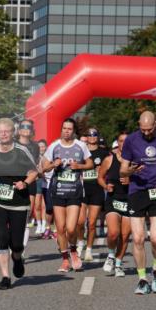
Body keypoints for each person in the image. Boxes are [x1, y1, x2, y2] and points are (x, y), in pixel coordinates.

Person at [121, 111, 156, 294]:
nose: (146, 133)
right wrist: (131, 171)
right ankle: (142, 279)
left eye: (149, 129)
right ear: (139, 124)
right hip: (137, 191)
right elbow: (123, 171)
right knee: (137, 238)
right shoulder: (131, 140)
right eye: (142, 129)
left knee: (155, 239)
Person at [0, 118, 39, 289]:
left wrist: (25, 183)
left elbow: (33, 172)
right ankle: (5, 277)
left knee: (16, 243)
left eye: (7, 131)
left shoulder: (21, 151)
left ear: (13, 133)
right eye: (1, 131)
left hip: (18, 202)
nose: (4, 134)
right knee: (2, 236)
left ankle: (17, 257)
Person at [40, 118, 93, 272]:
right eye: (64, 128)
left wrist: (79, 166)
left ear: (73, 131)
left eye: (69, 129)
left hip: (74, 192)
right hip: (58, 191)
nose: (66, 131)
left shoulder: (81, 146)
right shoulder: (54, 146)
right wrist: (52, 165)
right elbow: (43, 168)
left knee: (71, 228)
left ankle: (74, 250)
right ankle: (65, 260)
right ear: (61, 130)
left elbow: (91, 164)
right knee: (61, 228)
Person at [100, 130, 132, 276]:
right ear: (117, 143)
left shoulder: (135, 160)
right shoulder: (109, 159)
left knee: (125, 236)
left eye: (126, 140)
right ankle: (111, 255)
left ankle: (118, 264)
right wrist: (106, 186)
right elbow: (100, 177)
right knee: (113, 233)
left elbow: (144, 179)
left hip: (130, 200)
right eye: (121, 140)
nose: (123, 143)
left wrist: (131, 181)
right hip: (113, 199)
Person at [77, 127, 108, 264]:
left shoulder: (103, 152)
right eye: (89, 135)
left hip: (97, 190)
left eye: (94, 134)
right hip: (83, 189)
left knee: (91, 223)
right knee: (79, 222)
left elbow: (110, 167)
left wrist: (102, 171)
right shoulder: (81, 151)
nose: (92, 137)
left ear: (97, 136)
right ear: (86, 137)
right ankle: (79, 245)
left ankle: (88, 250)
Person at [16, 119, 42, 232]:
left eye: (29, 127)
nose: (26, 129)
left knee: (28, 212)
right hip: (14, 180)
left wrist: (38, 170)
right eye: (24, 126)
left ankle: (20, 246)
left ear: (32, 131)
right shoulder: (12, 144)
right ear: (19, 130)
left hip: (30, 180)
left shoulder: (35, 146)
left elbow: (34, 164)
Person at [37, 138, 52, 237]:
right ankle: (41, 225)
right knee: (39, 205)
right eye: (40, 147)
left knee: (47, 206)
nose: (41, 148)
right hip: (40, 182)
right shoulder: (35, 157)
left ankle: (46, 225)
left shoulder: (50, 156)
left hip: (51, 183)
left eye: (43, 146)